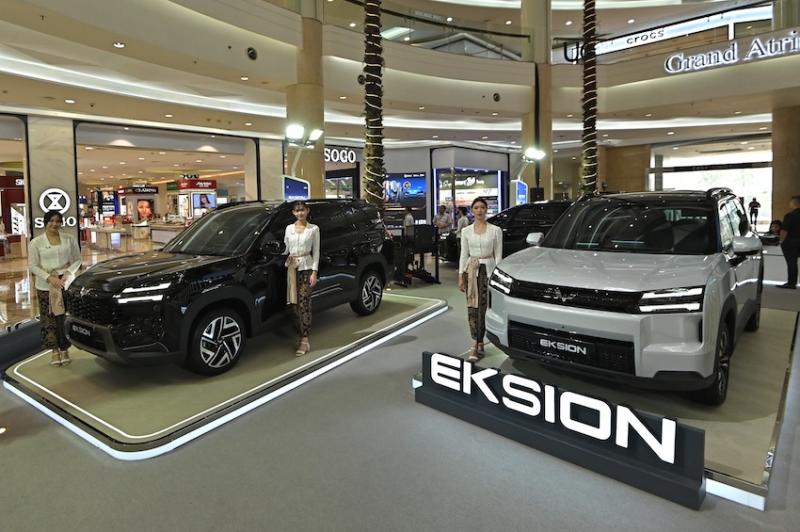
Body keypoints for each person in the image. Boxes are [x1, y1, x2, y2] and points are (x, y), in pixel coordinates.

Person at [28, 211, 82, 366]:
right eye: (51, 221)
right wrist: (49, 277)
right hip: (46, 286)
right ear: (46, 222)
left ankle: (65, 349)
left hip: (65, 284)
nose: (54, 224)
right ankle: (54, 351)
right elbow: (32, 265)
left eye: (57, 221)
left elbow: (78, 259)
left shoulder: (69, 239)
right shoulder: (36, 242)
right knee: (49, 319)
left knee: (64, 317)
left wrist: (68, 272)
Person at [458, 197, 502, 362]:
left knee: (483, 308)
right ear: (472, 210)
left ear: (486, 210)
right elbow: (463, 254)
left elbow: (498, 256)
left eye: (482, 207)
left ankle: (479, 342)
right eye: (476, 207)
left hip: (488, 271)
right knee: (472, 307)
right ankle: (475, 342)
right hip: (471, 271)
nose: (479, 210)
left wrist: (497, 277)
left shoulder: (495, 230)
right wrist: (460, 276)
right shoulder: (466, 231)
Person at [283, 201, 320, 356]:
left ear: (307, 211)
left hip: (306, 268)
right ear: (293, 213)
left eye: (302, 210)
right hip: (292, 268)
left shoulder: (313, 229)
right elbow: (286, 248)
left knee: (304, 303)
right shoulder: (289, 229)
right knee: (294, 304)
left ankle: (304, 340)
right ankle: (300, 332)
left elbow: (316, 252)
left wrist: (314, 272)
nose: (300, 213)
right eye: (297, 211)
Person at [779, 196, 800, 289]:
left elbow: (784, 230)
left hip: (791, 242)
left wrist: (781, 241)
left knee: (792, 263)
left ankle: (791, 283)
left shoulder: (790, 215)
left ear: (794, 203)